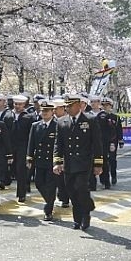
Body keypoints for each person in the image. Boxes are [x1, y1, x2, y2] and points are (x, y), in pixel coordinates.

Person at [53, 94, 103, 231]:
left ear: (78, 105)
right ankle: (77, 218)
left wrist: (98, 164)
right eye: (66, 106)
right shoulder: (61, 122)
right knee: (71, 191)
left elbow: (97, 143)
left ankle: (85, 214)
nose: (67, 108)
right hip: (69, 163)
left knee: (81, 188)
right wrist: (57, 162)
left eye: (70, 106)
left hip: (84, 163)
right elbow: (58, 144)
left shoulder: (90, 120)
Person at [26, 100, 58, 221]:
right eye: (42, 110)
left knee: (50, 185)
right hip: (39, 160)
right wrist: (29, 158)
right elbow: (31, 143)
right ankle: (50, 200)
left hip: (52, 161)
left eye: (46, 111)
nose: (44, 113)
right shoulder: (35, 126)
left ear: (52, 112)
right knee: (39, 183)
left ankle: (48, 210)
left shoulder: (57, 125)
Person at [11, 94, 33, 203]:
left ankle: (21, 193)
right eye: (16, 104)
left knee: (21, 170)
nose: (17, 106)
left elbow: (30, 134)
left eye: (20, 104)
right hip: (11, 146)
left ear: (24, 105)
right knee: (13, 169)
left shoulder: (28, 117)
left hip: (23, 147)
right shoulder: (8, 116)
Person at [52, 97, 69, 207]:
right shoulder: (51, 120)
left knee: (62, 178)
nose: (54, 111)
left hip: (64, 154)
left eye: (57, 108)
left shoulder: (68, 121)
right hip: (51, 153)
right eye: (54, 108)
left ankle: (64, 198)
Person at [102, 97, 124, 185]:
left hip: (112, 142)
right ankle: (104, 178)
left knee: (112, 160)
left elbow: (119, 130)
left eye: (107, 105)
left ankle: (113, 175)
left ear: (111, 106)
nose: (105, 107)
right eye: (103, 105)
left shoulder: (116, 118)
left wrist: (120, 140)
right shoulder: (100, 116)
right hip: (102, 142)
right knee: (103, 160)